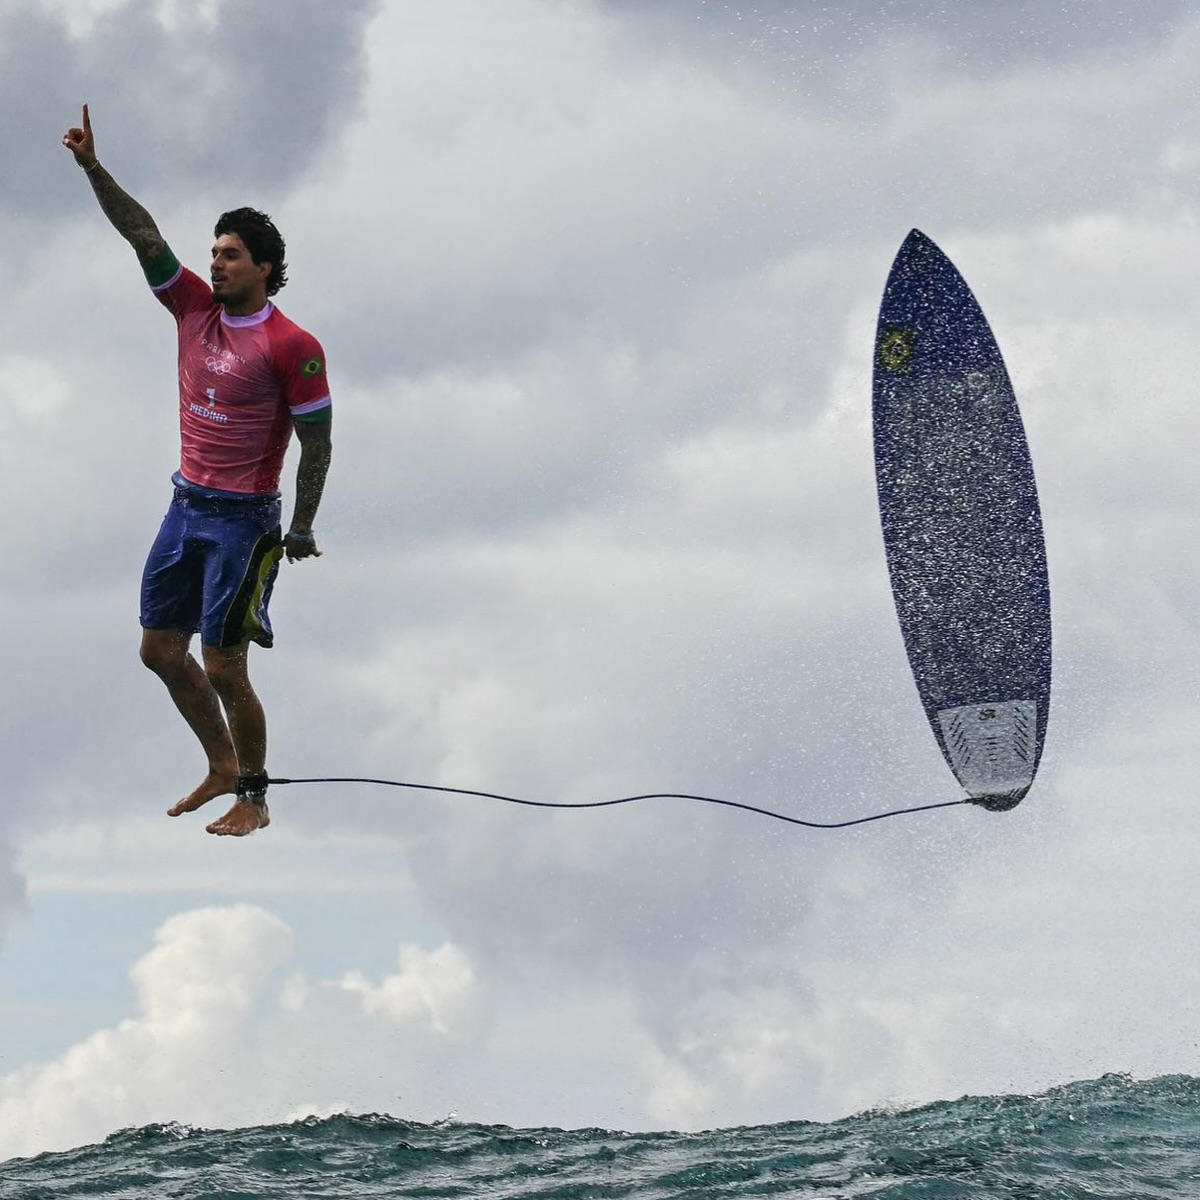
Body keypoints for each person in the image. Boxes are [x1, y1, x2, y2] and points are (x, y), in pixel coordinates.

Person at [62, 104, 333, 837]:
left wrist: (302, 526)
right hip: (186, 506)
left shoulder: (292, 344)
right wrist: (93, 168)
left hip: (245, 522)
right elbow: (142, 233)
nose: (215, 263)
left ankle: (254, 794)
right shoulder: (191, 308)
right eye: (213, 252)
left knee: (223, 664)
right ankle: (219, 763)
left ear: (264, 268)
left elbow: (318, 442)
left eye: (230, 255)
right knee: (158, 650)